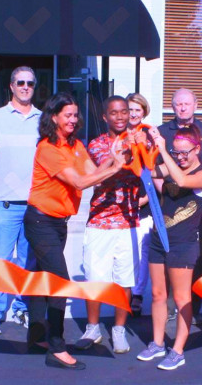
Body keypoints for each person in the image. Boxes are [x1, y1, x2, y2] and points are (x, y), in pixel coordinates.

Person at [24, 93, 127, 370]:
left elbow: (93, 173)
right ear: (53, 117)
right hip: (40, 222)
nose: (73, 119)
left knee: (42, 279)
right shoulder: (47, 148)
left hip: (59, 222)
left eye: (75, 115)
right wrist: (115, 167)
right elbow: (80, 183)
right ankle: (57, 349)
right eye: (67, 115)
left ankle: (37, 337)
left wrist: (113, 159)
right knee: (60, 283)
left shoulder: (76, 145)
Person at [135, 125, 202, 370]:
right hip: (159, 239)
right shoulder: (170, 166)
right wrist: (142, 146)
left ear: (197, 149)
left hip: (183, 244)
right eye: (176, 152)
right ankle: (158, 343)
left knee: (181, 299)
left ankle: (178, 350)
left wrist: (163, 151)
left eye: (184, 152)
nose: (180, 157)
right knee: (158, 294)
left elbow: (181, 180)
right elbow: (146, 170)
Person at [73, 96, 144, 354]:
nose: (121, 116)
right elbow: (112, 164)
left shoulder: (141, 140)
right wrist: (129, 149)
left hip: (128, 223)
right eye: (114, 113)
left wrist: (143, 145)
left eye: (124, 111)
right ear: (105, 117)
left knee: (125, 280)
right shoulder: (97, 144)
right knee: (95, 278)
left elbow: (148, 169)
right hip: (100, 222)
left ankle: (119, 330)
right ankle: (93, 328)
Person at [0, 66, 40, 336]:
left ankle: (22, 307)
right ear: (11, 86)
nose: (25, 87)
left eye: (30, 83)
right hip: (4, 204)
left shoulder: (43, 119)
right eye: (20, 82)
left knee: (28, 260)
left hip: (35, 203)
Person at [158, 88, 202, 324]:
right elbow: (155, 171)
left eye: (186, 103)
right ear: (172, 106)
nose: (182, 108)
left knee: (197, 258)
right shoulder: (163, 132)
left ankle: (193, 309)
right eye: (178, 104)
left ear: (195, 104)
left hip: (198, 205)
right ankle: (170, 306)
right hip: (170, 204)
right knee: (167, 257)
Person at [125, 92, 153, 317]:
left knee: (143, 252)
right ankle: (123, 292)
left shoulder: (150, 135)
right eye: (130, 110)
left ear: (144, 112)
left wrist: (146, 198)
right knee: (125, 251)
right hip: (122, 202)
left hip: (144, 201)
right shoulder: (118, 135)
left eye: (137, 110)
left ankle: (137, 294)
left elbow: (154, 169)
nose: (133, 114)